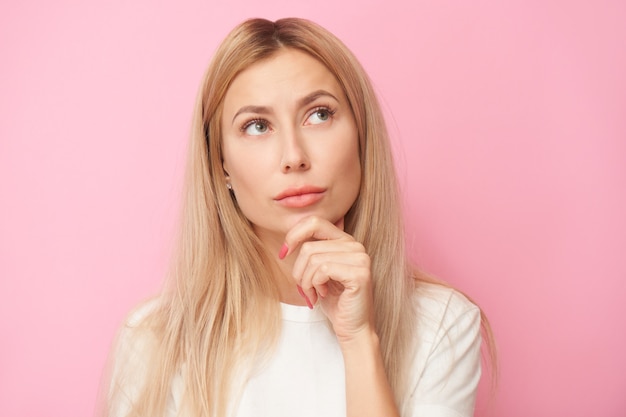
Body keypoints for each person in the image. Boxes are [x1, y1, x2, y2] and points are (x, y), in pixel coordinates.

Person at [99, 17, 495, 417]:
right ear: (220, 165)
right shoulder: (153, 339)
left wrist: (359, 340)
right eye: (257, 126)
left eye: (319, 115)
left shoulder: (442, 323)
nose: (294, 156)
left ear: (362, 136)